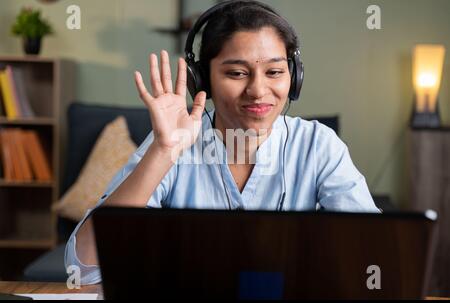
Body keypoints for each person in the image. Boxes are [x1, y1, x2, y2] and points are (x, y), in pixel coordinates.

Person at [65, 0, 380, 285]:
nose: (258, 90)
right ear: (202, 80)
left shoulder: (318, 145)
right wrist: (163, 152)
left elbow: (373, 257)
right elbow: (84, 265)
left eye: (274, 71)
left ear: (293, 77)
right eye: (237, 73)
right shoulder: (171, 141)